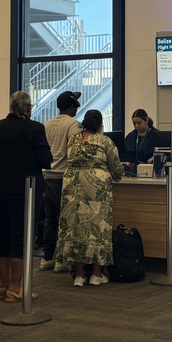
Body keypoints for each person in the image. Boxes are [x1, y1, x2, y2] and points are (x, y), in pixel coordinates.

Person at [0, 92, 53, 303]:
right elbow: (45, 160)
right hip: (26, 191)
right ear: (29, 109)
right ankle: (16, 288)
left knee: (2, 236)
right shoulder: (35, 128)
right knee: (20, 238)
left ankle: (3, 287)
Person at [56, 109, 124, 287]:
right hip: (96, 189)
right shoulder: (104, 141)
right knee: (97, 229)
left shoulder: (73, 140)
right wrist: (118, 175)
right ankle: (96, 274)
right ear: (101, 124)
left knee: (76, 229)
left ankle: (79, 276)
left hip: (73, 187)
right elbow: (116, 168)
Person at [42, 91, 83, 272]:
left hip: (47, 176)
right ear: (73, 107)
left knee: (50, 219)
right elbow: (76, 151)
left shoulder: (46, 125)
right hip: (64, 177)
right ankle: (62, 260)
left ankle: (47, 257)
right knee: (66, 219)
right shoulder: (73, 124)